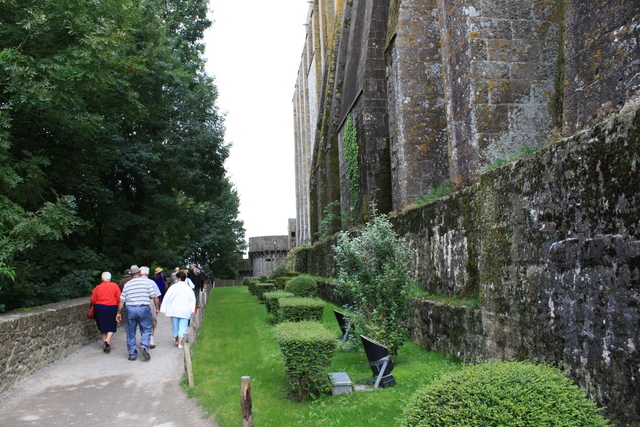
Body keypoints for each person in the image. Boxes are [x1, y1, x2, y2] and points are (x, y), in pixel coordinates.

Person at [116, 266, 158, 361]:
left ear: (131, 274)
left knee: (130, 331)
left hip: (130, 309)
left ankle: (132, 354)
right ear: (139, 273)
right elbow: (152, 295)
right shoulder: (146, 283)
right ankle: (144, 346)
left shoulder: (127, 284)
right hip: (143, 308)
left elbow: (122, 300)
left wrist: (118, 313)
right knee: (146, 329)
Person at [160, 270, 196, 349]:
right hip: (185, 310)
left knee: (175, 326)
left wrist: (164, 308)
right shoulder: (188, 288)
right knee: (183, 326)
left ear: (178, 278)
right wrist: (192, 310)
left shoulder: (173, 287)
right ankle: (180, 343)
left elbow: (167, 297)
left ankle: (176, 340)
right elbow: (192, 300)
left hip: (174, 310)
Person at [90, 272, 121, 353]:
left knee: (102, 326)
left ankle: (105, 344)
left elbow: (93, 300)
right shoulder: (114, 286)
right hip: (111, 307)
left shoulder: (97, 287)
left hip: (99, 307)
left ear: (102, 278)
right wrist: (119, 309)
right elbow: (119, 298)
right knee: (112, 325)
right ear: (110, 278)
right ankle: (107, 341)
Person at [141, 266, 162, 348]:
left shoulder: (135, 282)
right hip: (149, 302)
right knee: (152, 321)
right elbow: (156, 296)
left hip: (138, 303)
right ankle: (151, 339)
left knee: (142, 321)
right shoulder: (151, 282)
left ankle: (144, 338)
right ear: (148, 273)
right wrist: (157, 308)